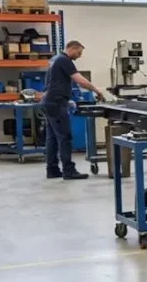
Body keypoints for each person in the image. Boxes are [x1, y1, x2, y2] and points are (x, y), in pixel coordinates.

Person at [42, 41, 105, 180]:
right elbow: (80, 80)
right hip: (57, 103)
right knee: (65, 137)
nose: (80, 56)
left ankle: (52, 170)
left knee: (52, 138)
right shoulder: (64, 60)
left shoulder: (54, 59)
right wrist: (97, 90)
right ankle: (68, 170)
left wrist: (68, 97)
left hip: (50, 101)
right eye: (79, 52)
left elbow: (52, 82)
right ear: (72, 48)